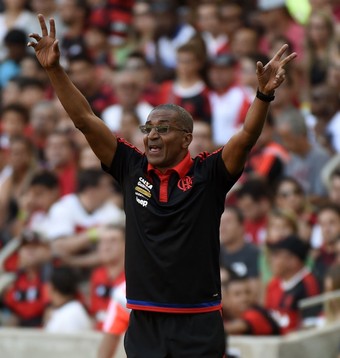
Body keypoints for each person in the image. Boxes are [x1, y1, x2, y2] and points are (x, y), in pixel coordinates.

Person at [28, 14, 296, 357]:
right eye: (148, 128)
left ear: (187, 139)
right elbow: (84, 120)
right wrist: (54, 70)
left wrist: (262, 96)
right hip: (144, 321)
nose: (152, 135)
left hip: (198, 321)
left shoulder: (209, 173)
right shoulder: (130, 166)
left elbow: (245, 138)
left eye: (164, 128)